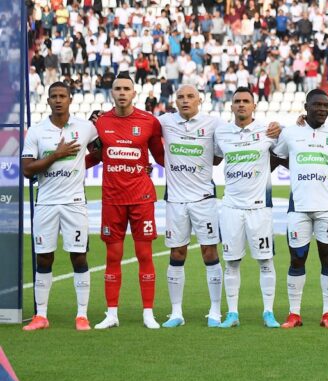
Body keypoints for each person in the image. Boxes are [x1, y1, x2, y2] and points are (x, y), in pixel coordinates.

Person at [21, 82, 100, 331]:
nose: (58, 100)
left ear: (70, 99)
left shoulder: (85, 127)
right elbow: (26, 169)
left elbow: (100, 152)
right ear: (47, 101)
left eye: (62, 96)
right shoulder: (36, 131)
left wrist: (80, 165)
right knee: (44, 258)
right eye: (53, 96)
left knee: (79, 256)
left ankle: (82, 316)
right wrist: (56, 154)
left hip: (74, 203)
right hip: (45, 203)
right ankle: (41, 316)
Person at [273, 89, 328, 329]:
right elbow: (277, 156)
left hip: (327, 208)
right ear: (306, 107)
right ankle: (294, 314)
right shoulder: (290, 133)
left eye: (326, 106)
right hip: (298, 208)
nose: (322, 109)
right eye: (317, 105)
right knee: (297, 259)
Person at [93, 73, 165, 330]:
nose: (122, 92)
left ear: (134, 93)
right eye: (117, 89)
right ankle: (111, 313)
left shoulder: (149, 122)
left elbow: (162, 158)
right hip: (112, 199)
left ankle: (148, 313)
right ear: (111, 93)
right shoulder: (100, 123)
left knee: (144, 254)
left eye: (126, 89)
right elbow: (91, 158)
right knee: (113, 255)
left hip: (141, 198)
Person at [214, 87, 283, 329]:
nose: (241, 105)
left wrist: (284, 127)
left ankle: (268, 312)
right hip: (231, 207)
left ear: (254, 106)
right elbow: (211, 158)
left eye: (246, 101)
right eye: (237, 102)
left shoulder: (268, 131)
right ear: (231, 107)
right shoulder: (221, 133)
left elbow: (289, 146)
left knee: (265, 261)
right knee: (231, 262)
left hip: (259, 207)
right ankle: (232, 314)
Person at [157, 85, 225, 328]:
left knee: (210, 252)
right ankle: (176, 313)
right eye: (180, 97)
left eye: (190, 97)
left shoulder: (214, 123)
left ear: (200, 100)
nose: (185, 101)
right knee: (177, 253)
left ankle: (215, 311)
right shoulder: (164, 121)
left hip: (203, 199)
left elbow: (219, 155)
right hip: (175, 200)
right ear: (175, 101)